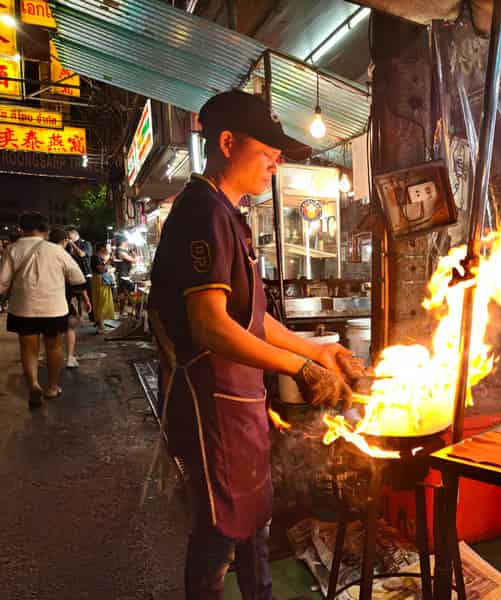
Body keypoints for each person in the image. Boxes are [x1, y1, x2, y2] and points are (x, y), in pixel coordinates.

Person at [149, 90, 358, 600]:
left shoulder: (230, 214)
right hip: (211, 405)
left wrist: (318, 352)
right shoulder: (201, 212)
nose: (276, 161)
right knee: (219, 537)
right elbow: (211, 326)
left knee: (254, 527)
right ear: (226, 143)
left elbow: (254, 321)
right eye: (267, 150)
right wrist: (300, 370)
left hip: (240, 404)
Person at [0, 212, 86, 408]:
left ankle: (33, 385)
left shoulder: (12, 249)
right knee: (54, 347)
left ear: (22, 229)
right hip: (53, 308)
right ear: (46, 230)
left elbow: (2, 284)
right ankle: (53, 387)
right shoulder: (56, 250)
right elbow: (78, 277)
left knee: (28, 349)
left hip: (23, 308)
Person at [50, 228, 92, 368]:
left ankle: (51, 358)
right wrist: (86, 299)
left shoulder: (40, 253)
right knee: (69, 327)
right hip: (63, 296)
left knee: (50, 331)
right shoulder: (65, 255)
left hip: (45, 298)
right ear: (65, 241)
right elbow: (77, 280)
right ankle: (69, 358)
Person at [90, 244, 116, 333]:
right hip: (100, 281)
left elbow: (102, 266)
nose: (108, 250)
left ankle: (101, 325)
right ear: (102, 249)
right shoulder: (96, 257)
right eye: (107, 248)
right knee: (102, 302)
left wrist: (108, 262)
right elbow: (101, 269)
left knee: (100, 302)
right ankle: (101, 327)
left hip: (99, 281)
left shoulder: (97, 257)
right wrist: (109, 270)